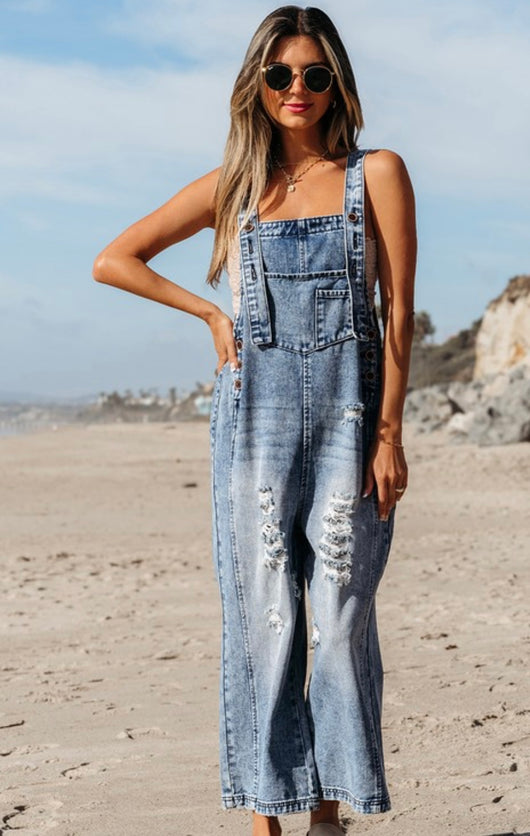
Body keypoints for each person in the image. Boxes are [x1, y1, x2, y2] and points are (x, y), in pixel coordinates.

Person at [93, 6, 416, 835]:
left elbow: (397, 315)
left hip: (350, 419)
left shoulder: (376, 174)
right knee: (265, 620)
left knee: (339, 621)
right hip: (253, 423)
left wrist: (389, 436)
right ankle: (265, 819)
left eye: (314, 74)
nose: (296, 88)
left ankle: (327, 815)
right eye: (279, 74)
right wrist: (210, 314)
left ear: (337, 83)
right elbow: (114, 260)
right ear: (256, 85)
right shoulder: (232, 186)